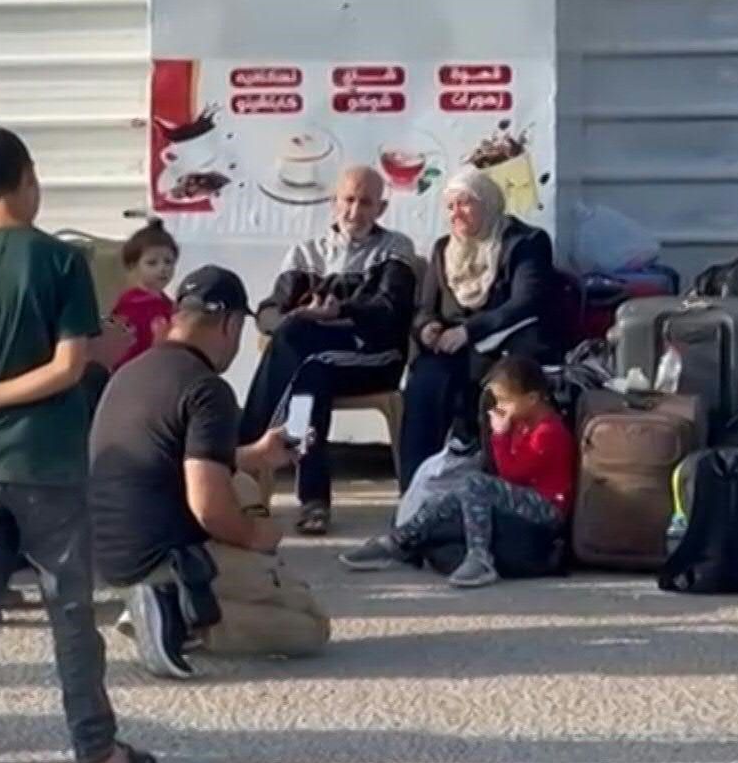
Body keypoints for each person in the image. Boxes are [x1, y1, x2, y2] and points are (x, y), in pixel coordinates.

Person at [0, 126, 159, 763]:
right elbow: (70, 365)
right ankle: (94, 750)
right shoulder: (61, 262)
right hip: (48, 462)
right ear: (28, 181)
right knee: (69, 610)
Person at [87, 266, 326, 680]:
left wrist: (258, 453)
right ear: (231, 324)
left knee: (244, 481)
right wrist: (258, 537)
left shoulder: (134, 371)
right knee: (309, 623)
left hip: (112, 551)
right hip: (164, 557)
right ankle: (178, 611)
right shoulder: (206, 388)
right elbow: (209, 507)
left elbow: (177, 456)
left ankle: (168, 602)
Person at [242, 166, 419, 534]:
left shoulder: (395, 248)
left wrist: (340, 310)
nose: (355, 212)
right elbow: (268, 313)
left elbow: (390, 312)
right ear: (333, 203)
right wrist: (296, 315)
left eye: (366, 203)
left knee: (298, 344)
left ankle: (247, 450)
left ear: (381, 208)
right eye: (349, 200)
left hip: (373, 356)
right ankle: (313, 501)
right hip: (316, 361)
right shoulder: (304, 253)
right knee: (309, 371)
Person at [340, 355, 574, 588]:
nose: (500, 408)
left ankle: (480, 558)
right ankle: (399, 542)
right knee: (452, 495)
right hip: (521, 497)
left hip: (546, 507)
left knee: (475, 483)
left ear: (532, 398)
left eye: (505, 401)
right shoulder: (522, 422)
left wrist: (500, 435)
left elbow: (511, 474)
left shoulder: (547, 431)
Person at [399, 168, 557, 490]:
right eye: (450, 206)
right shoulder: (444, 248)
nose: (456, 213)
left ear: (488, 203)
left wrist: (470, 331)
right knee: (425, 383)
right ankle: (417, 488)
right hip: (451, 346)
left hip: (504, 342)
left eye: (465, 203)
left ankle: (494, 485)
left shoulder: (525, 242)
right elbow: (425, 308)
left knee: (498, 387)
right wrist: (427, 328)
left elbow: (525, 302)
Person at [110, 221, 179, 370]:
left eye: (168, 262)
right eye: (152, 263)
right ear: (133, 266)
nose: (163, 268)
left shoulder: (170, 306)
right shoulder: (130, 308)